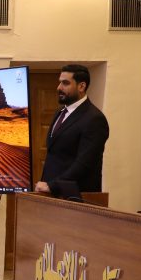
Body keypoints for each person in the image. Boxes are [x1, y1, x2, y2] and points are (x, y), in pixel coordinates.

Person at [34, 64, 110, 194]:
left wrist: (52, 186)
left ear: (81, 86)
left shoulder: (94, 118)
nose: (59, 88)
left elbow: (84, 163)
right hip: (50, 194)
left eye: (65, 83)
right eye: (60, 82)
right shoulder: (60, 112)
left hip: (75, 196)